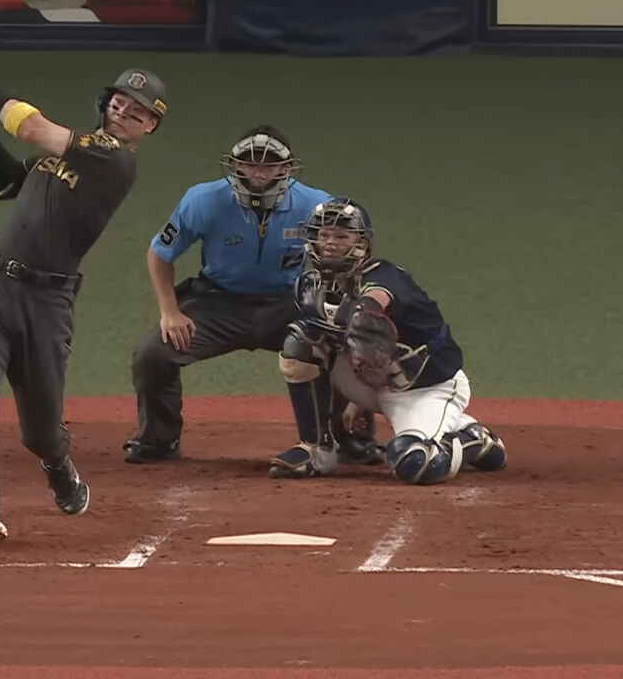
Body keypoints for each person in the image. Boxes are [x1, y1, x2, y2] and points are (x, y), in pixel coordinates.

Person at [0, 66, 166, 548]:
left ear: (150, 125)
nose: (123, 113)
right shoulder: (68, 151)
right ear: (106, 103)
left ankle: (57, 461)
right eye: (119, 103)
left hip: (46, 304)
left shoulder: (114, 162)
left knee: (41, 432)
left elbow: (30, 127)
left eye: (138, 112)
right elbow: (6, 182)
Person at [120, 126, 384, 466]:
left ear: (286, 168)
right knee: (152, 353)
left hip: (289, 302)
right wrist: (170, 311)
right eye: (249, 163)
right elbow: (159, 254)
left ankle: (350, 438)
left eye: (269, 164)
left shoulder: (315, 205)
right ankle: (159, 439)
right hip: (217, 302)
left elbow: (349, 257)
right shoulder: (203, 200)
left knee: (343, 347)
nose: (259, 173)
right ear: (235, 165)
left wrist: (342, 311)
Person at [270, 198, 509, 484]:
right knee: (301, 341)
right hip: (374, 383)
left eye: (342, 236)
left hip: (427, 388)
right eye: (324, 235)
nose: (330, 243)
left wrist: (365, 309)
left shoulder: (385, 276)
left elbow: (376, 299)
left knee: (415, 462)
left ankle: (473, 440)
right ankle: (318, 449)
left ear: (361, 242)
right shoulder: (310, 287)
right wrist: (352, 401)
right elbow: (337, 348)